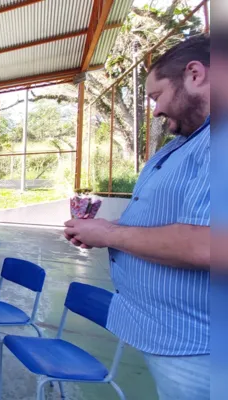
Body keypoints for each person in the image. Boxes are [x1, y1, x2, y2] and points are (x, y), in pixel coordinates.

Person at [63, 35, 210, 400]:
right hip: (171, 336)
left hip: (198, 348)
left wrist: (110, 233)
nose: (156, 111)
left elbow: (209, 243)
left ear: (194, 74)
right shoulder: (186, 143)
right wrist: (102, 232)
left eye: (156, 96)